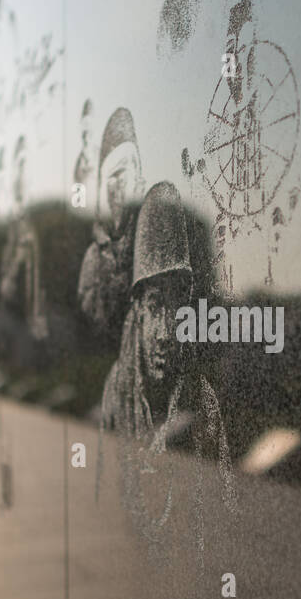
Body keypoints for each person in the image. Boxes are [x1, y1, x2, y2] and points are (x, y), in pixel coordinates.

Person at [99, 181, 235, 565]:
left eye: (180, 309)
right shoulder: (118, 395)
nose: (166, 330)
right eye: (156, 305)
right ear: (137, 308)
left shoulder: (203, 396)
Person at [78, 107, 145, 343]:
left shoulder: (147, 245)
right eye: (111, 178)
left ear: (140, 181)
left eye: (124, 173)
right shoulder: (94, 256)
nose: (118, 186)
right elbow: (93, 319)